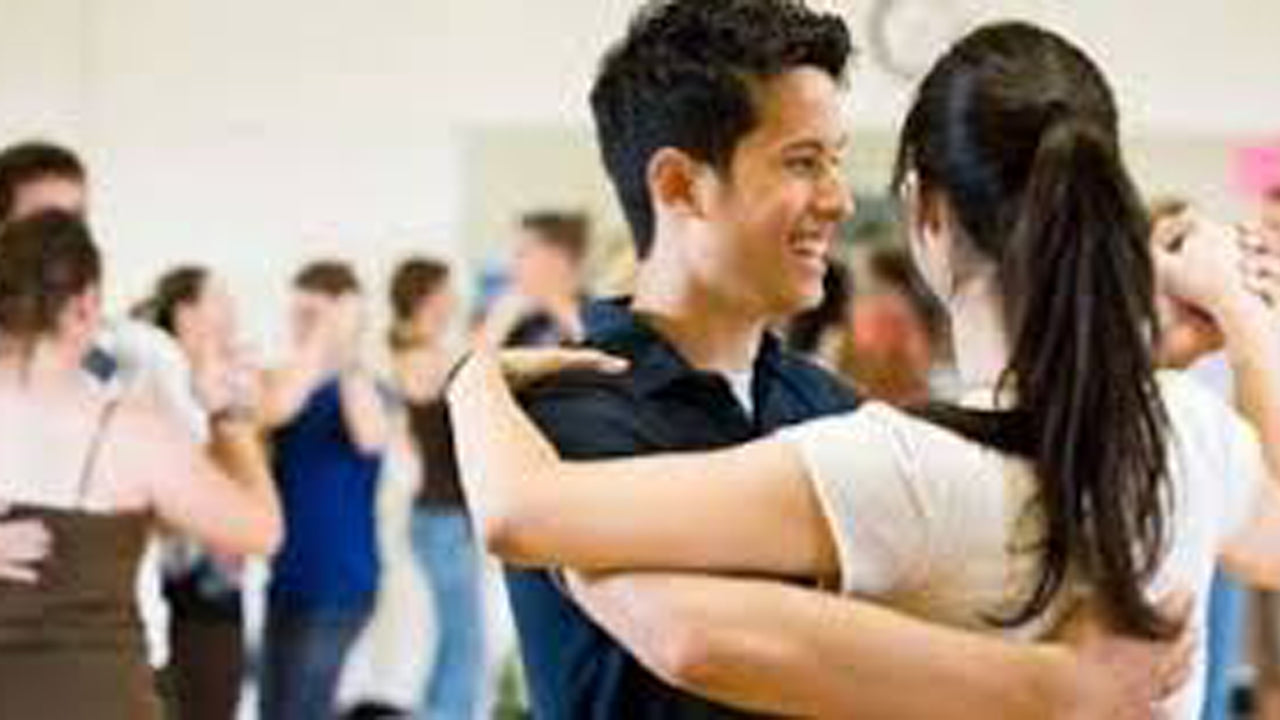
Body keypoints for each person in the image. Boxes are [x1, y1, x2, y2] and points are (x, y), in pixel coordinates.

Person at [445, 20, 1278, 719]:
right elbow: (690, 638)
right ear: (680, 185)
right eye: (803, 161)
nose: (840, 199)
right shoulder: (567, 407)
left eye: (837, 161)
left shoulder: (834, 410)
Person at [0, 210, 280, 719]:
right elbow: (261, 531)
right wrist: (230, 421)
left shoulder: (133, 397)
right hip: (97, 697)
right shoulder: (129, 431)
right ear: (86, 304)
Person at [258, 260, 390, 720]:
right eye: (297, 315)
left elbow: (371, 436)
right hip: (286, 579)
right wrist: (322, 336)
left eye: (312, 315)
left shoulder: (363, 385)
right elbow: (274, 409)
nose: (302, 326)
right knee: (274, 711)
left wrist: (342, 345)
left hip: (339, 585)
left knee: (302, 711)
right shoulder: (283, 380)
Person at [135, 266, 249, 720]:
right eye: (218, 299)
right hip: (174, 584)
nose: (232, 309)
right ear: (185, 313)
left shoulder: (230, 376)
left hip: (216, 580)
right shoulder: (149, 371)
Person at [387, 257, 487, 719]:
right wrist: (511, 306)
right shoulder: (415, 356)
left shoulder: (427, 351)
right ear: (426, 297)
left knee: (457, 643)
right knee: (463, 645)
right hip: (440, 519)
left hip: (447, 517)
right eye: (447, 293)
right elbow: (474, 362)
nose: (454, 302)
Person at [483, 211, 591, 348]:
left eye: (522, 254)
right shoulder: (523, 323)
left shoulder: (602, 317)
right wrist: (496, 327)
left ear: (558, 257)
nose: (513, 265)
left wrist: (557, 304)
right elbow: (482, 358)